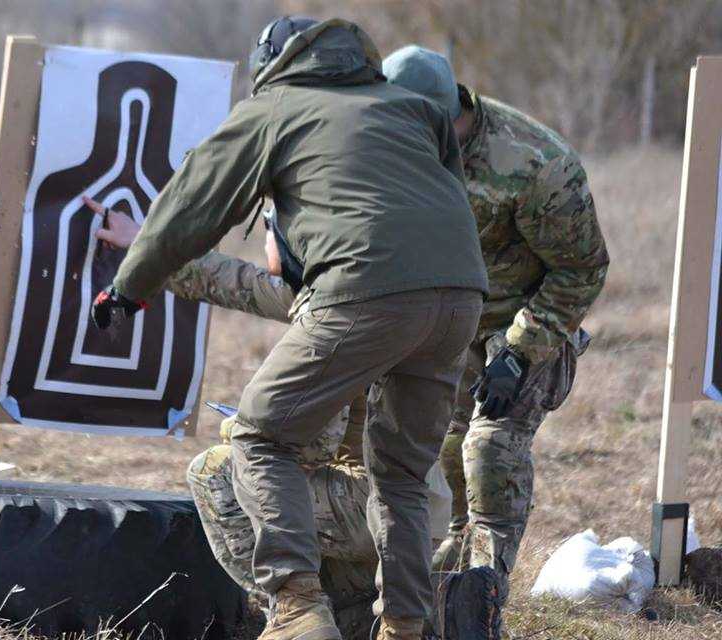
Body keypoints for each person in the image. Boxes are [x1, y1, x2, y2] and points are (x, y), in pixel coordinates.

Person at [91, 16, 489, 640]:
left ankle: (298, 613)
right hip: (462, 295)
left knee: (258, 438)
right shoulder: (411, 109)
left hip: (367, 290)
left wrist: (129, 285)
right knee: (403, 475)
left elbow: (191, 203)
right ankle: (406, 628)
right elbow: (441, 192)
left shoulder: (277, 107)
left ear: (272, 68)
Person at [88, 200, 454, 639]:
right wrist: (147, 246)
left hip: (372, 509)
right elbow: (236, 282)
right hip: (420, 515)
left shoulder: (334, 315)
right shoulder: (373, 288)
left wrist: (241, 423)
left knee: (221, 471)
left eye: (267, 230)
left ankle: (295, 617)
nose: (264, 245)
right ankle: (377, 613)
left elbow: (307, 440)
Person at [382, 45, 610, 611]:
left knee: (489, 448)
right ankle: (447, 576)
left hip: (528, 323)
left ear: (444, 112)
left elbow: (582, 268)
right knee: (447, 452)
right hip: (447, 324)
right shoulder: (393, 145)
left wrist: (520, 350)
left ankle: (479, 597)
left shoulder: (534, 163)